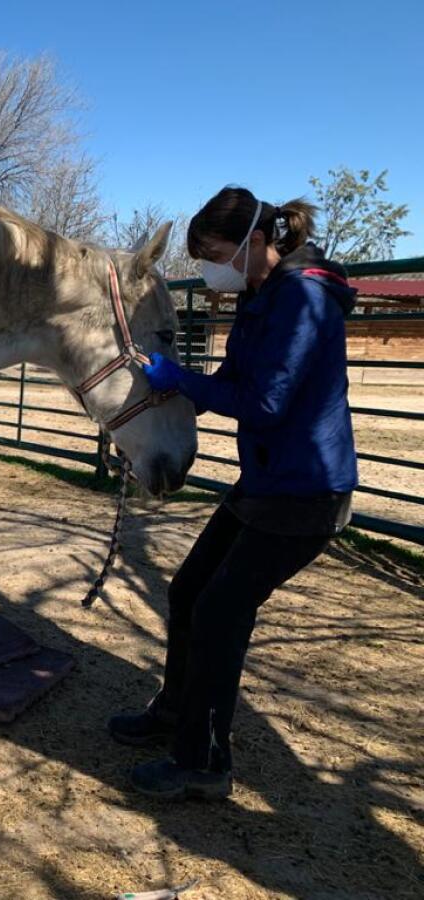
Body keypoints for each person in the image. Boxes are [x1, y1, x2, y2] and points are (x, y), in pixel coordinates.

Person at [109, 187, 358, 800]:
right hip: (270, 481)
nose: (209, 269)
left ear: (254, 242)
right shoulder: (261, 294)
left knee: (220, 612)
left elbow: (266, 403)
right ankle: (174, 713)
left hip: (306, 491)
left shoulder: (302, 297)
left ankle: (204, 762)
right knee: (190, 589)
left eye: (215, 254)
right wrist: (171, 385)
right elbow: (234, 380)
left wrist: (184, 381)